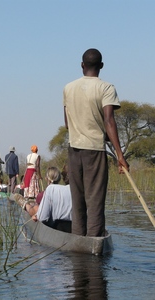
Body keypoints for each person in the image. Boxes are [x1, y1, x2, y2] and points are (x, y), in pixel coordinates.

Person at [63, 48, 129, 237]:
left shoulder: (68, 88)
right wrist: (120, 155)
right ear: (101, 66)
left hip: (74, 151)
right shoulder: (106, 88)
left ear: (82, 66)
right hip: (94, 151)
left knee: (78, 202)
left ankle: (78, 243)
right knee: (95, 202)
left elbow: (68, 124)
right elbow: (109, 121)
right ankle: (94, 245)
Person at [24, 167, 72, 233]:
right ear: (59, 178)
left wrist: (36, 216)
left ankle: (25, 204)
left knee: (34, 209)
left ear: (47, 179)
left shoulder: (50, 189)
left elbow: (42, 217)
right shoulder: (71, 189)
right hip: (71, 227)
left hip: (57, 228)